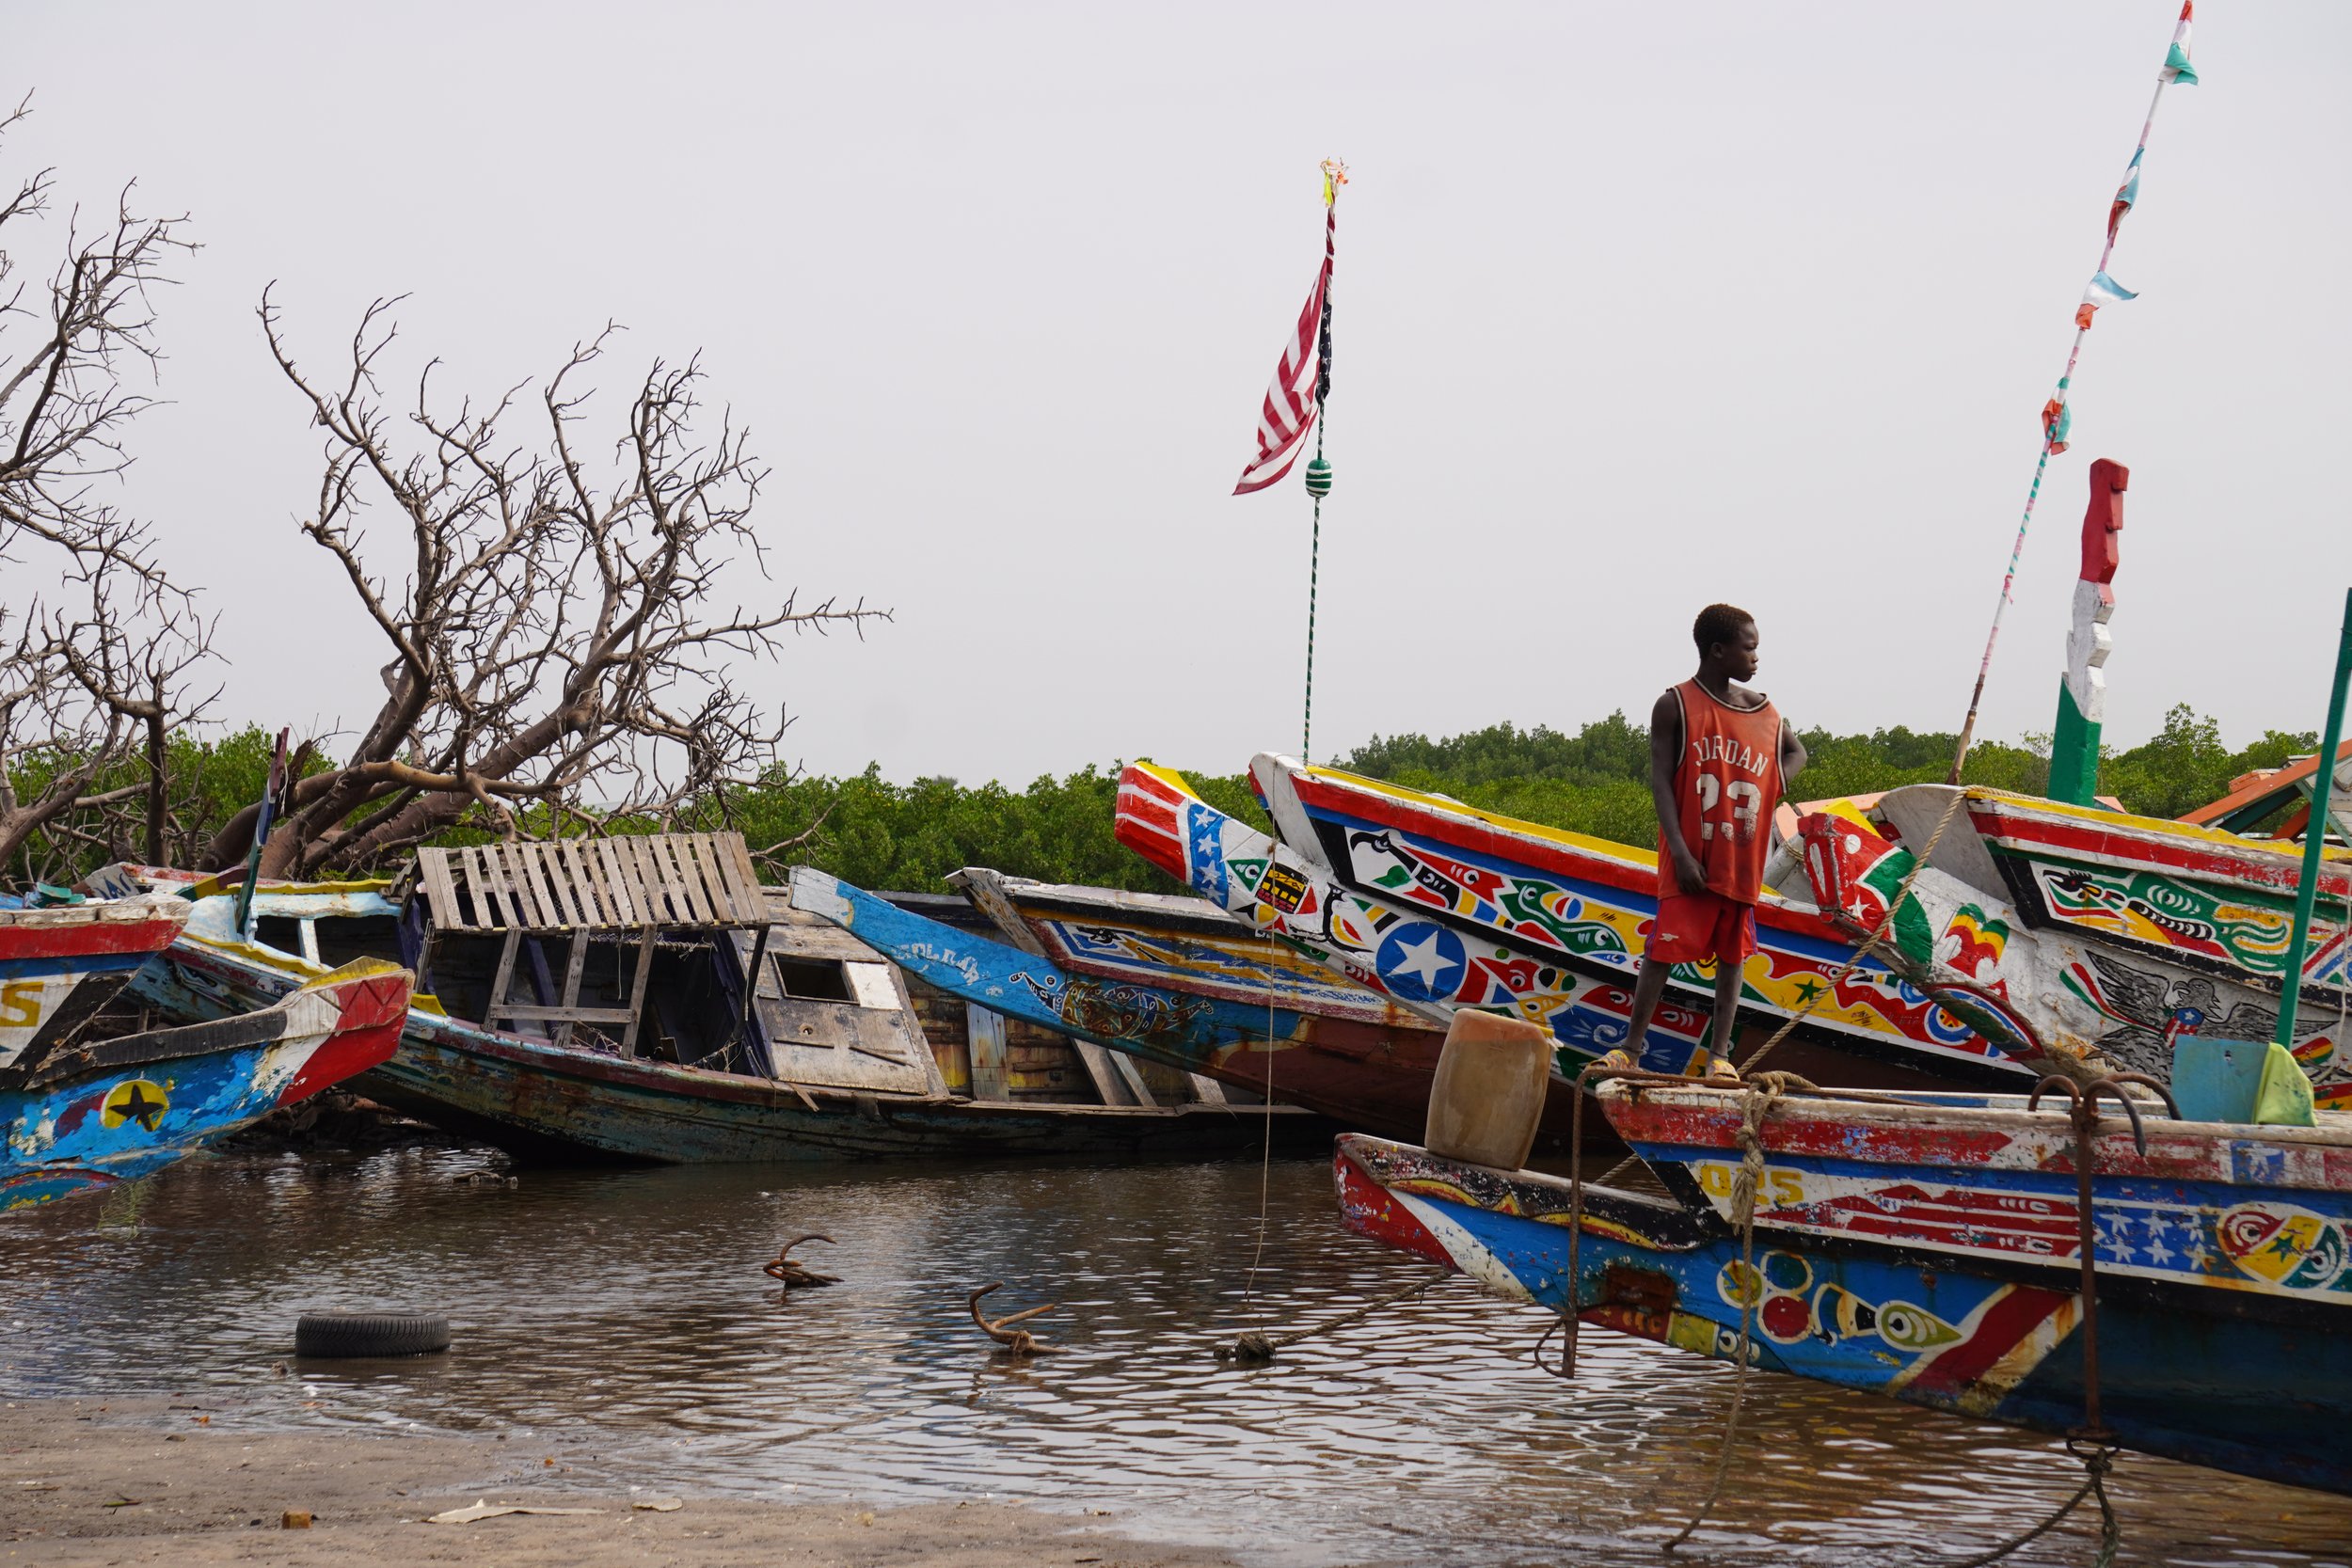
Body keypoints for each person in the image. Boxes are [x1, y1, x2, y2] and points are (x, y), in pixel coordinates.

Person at [1602, 604, 1805, 1082]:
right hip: (1692, 857)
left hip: (1741, 855)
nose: (1756, 657)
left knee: (1733, 957)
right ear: (1718, 651)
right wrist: (1678, 851)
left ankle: (1719, 1058)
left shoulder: (1765, 711)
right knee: (1662, 949)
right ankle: (1631, 1049)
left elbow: (1796, 752)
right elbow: (1659, 781)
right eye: (1749, 647)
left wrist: (1774, 780)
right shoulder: (1675, 704)